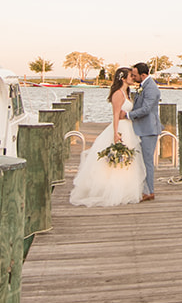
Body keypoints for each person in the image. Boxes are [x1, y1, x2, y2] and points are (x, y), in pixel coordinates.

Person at [69, 67, 146, 207]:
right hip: (121, 128)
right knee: (118, 160)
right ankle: (114, 190)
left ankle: (126, 188)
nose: (133, 78)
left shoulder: (127, 92)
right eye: (130, 76)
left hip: (129, 128)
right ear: (123, 78)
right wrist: (116, 133)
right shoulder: (118, 94)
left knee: (129, 160)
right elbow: (116, 115)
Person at [126, 62, 163, 201]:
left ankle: (150, 191)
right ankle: (143, 189)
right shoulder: (144, 86)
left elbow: (146, 109)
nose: (133, 77)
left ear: (143, 75)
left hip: (149, 129)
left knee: (147, 161)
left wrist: (128, 115)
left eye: (135, 75)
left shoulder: (151, 88)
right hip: (142, 128)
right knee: (141, 160)